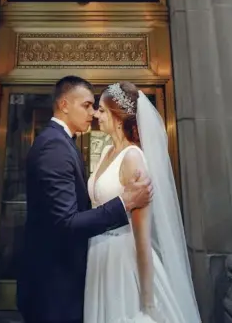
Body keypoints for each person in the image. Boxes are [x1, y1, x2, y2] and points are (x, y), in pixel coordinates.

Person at [18, 76, 154, 323]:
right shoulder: (55, 147)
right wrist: (124, 202)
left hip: (111, 263)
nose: (92, 114)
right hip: (54, 281)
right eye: (88, 105)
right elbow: (65, 222)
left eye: (98, 108)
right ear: (64, 105)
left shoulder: (67, 144)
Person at [85, 81, 201, 323]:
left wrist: (147, 299)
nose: (96, 114)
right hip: (99, 254)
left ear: (118, 118)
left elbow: (143, 237)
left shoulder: (133, 159)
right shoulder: (107, 151)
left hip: (122, 261)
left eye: (102, 110)